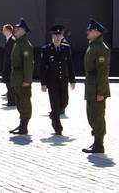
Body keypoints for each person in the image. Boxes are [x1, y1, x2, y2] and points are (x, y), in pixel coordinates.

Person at [40, 25, 76, 135]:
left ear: (62, 36)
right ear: (52, 36)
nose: (57, 37)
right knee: (55, 105)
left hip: (63, 81)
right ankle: (57, 127)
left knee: (65, 102)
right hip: (52, 82)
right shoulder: (46, 49)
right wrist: (43, 83)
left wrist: (72, 80)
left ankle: (53, 115)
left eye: (59, 35)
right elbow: (42, 67)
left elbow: (70, 64)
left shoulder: (66, 48)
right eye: (55, 35)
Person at [82, 19, 111, 154]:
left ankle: (99, 145)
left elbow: (103, 73)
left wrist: (101, 92)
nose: (87, 32)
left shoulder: (101, 49)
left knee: (98, 116)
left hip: (97, 89)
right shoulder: (92, 46)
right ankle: (96, 142)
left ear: (97, 32)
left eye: (90, 30)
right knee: (91, 116)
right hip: (91, 88)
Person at [9, 19, 34, 135]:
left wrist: (27, 80)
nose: (15, 30)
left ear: (24, 31)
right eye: (15, 28)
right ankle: (21, 125)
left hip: (22, 79)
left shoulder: (25, 45)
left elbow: (28, 64)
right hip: (17, 78)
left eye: (18, 29)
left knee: (24, 102)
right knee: (19, 102)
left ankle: (24, 126)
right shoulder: (18, 43)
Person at [1, 24, 16, 106]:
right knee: (8, 84)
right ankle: (10, 100)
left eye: (4, 30)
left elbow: (11, 55)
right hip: (7, 66)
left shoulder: (12, 40)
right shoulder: (8, 40)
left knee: (10, 85)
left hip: (9, 66)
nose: (3, 32)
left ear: (8, 31)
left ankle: (12, 101)